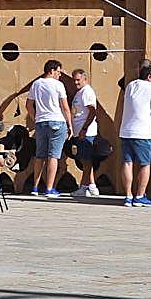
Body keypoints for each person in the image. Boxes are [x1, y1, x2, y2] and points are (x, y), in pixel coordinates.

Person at [117, 60, 151, 207]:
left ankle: (128, 195)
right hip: (143, 132)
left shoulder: (130, 86)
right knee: (145, 164)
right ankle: (139, 196)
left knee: (127, 163)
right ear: (150, 76)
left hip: (126, 130)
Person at [25, 60, 71, 198]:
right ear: (51, 70)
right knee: (53, 156)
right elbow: (65, 107)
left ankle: (35, 187)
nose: (60, 74)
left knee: (40, 156)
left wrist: (36, 118)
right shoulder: (58, 85)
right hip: (57, 121)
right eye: (58, 71)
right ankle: (50, 189)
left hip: (41, 123)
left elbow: (28, 105)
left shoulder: (36, 84)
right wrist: (70, 125)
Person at [65, 67, 102, 196]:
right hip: (79, 131)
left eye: (78, 80)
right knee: (85, 160)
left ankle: (84, 186)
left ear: (85, 79)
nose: (76, 83)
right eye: (74, 80)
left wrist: (84, 129)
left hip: (86, 132)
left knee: (85, 160)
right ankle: (92, 185)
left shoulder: (87, 92)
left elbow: (92, 111)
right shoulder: (79, 92)